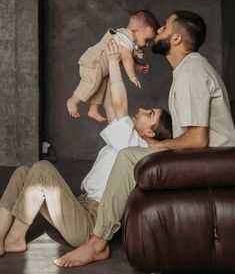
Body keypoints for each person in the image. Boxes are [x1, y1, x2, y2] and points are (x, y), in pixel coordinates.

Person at [54, 10, 235, 268]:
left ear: (175, 39)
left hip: (214, 162)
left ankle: (97, 243)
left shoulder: (192, 72)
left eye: (164, 27)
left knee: (129, 157)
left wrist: (157, 145)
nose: (158, 29)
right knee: (131, 153)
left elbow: (197, 140)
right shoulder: (187, 70)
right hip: (205, 157)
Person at [0, 40, 172, 259]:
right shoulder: (126, 138)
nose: (142, 109)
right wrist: (115, 64)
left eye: (149, 114)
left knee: (42, 169)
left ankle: (15, 237)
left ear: (151, 133)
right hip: (80, 205)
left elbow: (119, 106)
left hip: (90, 224)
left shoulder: (135, 145)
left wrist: (112, 61)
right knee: (23, 172)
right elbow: (111, 105)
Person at [67, 10, 158, 122]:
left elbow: (127, 61)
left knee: (101, 85)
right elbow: (126, 59)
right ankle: (73, 101)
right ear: (135, 31)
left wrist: (139, 67)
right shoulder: (126, 38)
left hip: (101, 68)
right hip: (94, 62)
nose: (147, 44)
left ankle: (93, 109)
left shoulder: (127, 42)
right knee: (92, 83)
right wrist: (132, 76)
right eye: (146, 40)